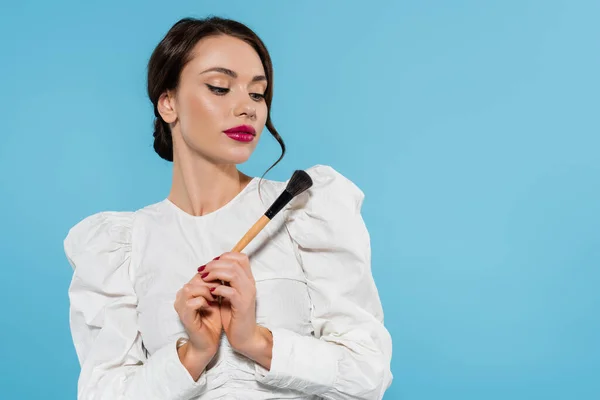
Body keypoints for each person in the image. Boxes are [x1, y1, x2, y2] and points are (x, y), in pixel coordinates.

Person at [64, 16, 393, 400]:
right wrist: (193, 355)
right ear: (168, 103)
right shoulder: (119, 249)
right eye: (220, 87)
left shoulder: (304, 212)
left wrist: (256, 341)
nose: (247, 108)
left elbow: (369, 376)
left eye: (257, 93)